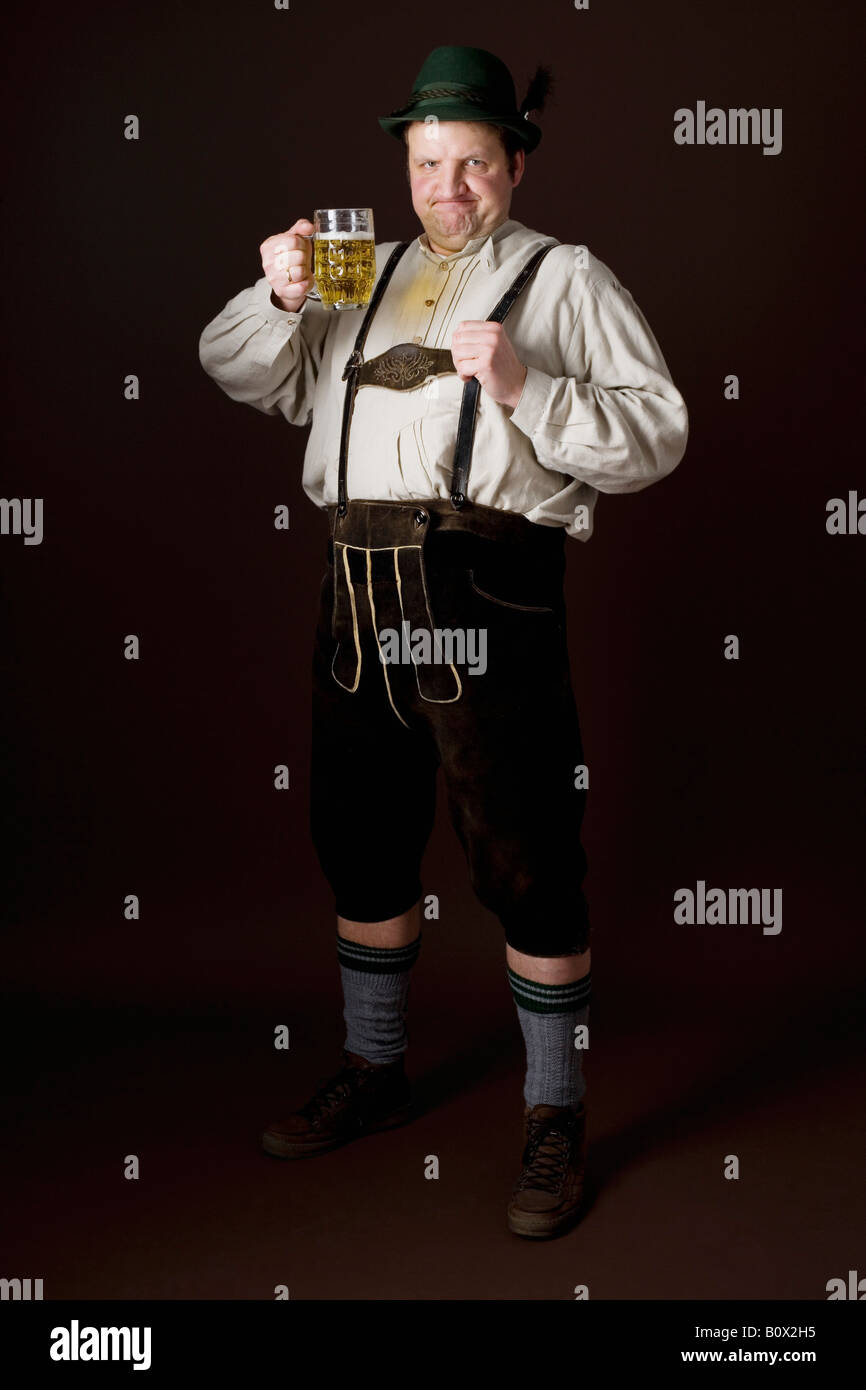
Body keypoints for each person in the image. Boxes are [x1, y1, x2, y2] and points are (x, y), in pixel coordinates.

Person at [198, 44, 688, 1240]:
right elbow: (232, 368)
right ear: (404, 169)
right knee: (359, 836)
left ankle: (553, 1112)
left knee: (522, 851)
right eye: (427, 163)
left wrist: (526, 387)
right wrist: (276, 294)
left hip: (485, 584)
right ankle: (376, 1072)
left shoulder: (561, 279)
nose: (448, 188)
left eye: (472, 162)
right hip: (354, 584)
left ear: (513, 166)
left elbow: (658, 433)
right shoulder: (354, 271)